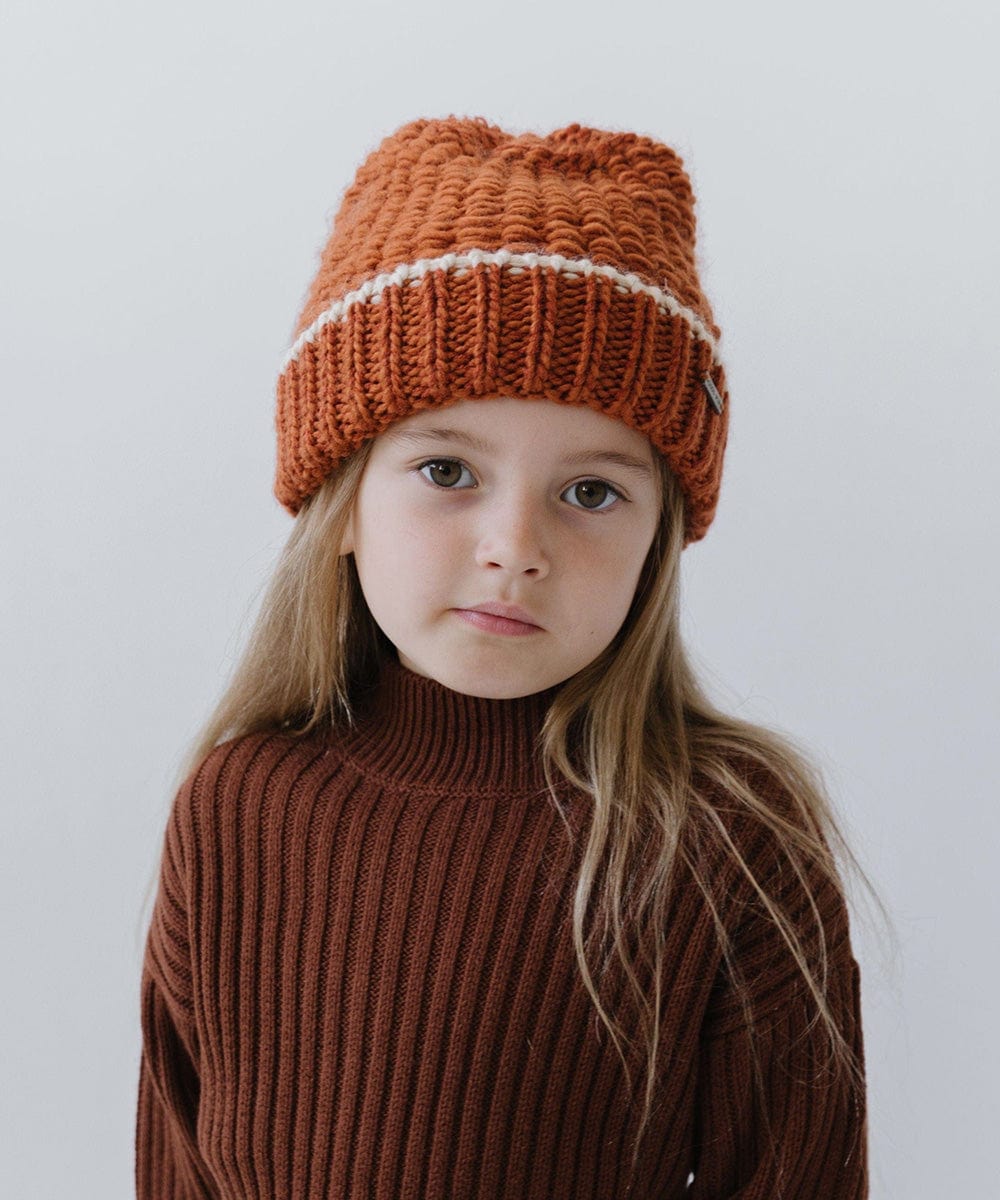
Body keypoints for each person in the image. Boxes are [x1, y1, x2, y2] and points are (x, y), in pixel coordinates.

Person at [135, 115, 871, 1199]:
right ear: (340, 503)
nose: (514, 549)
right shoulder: (235, 808)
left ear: (655, 543)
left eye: (590, 492)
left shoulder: (723, 841)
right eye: (446, 471)